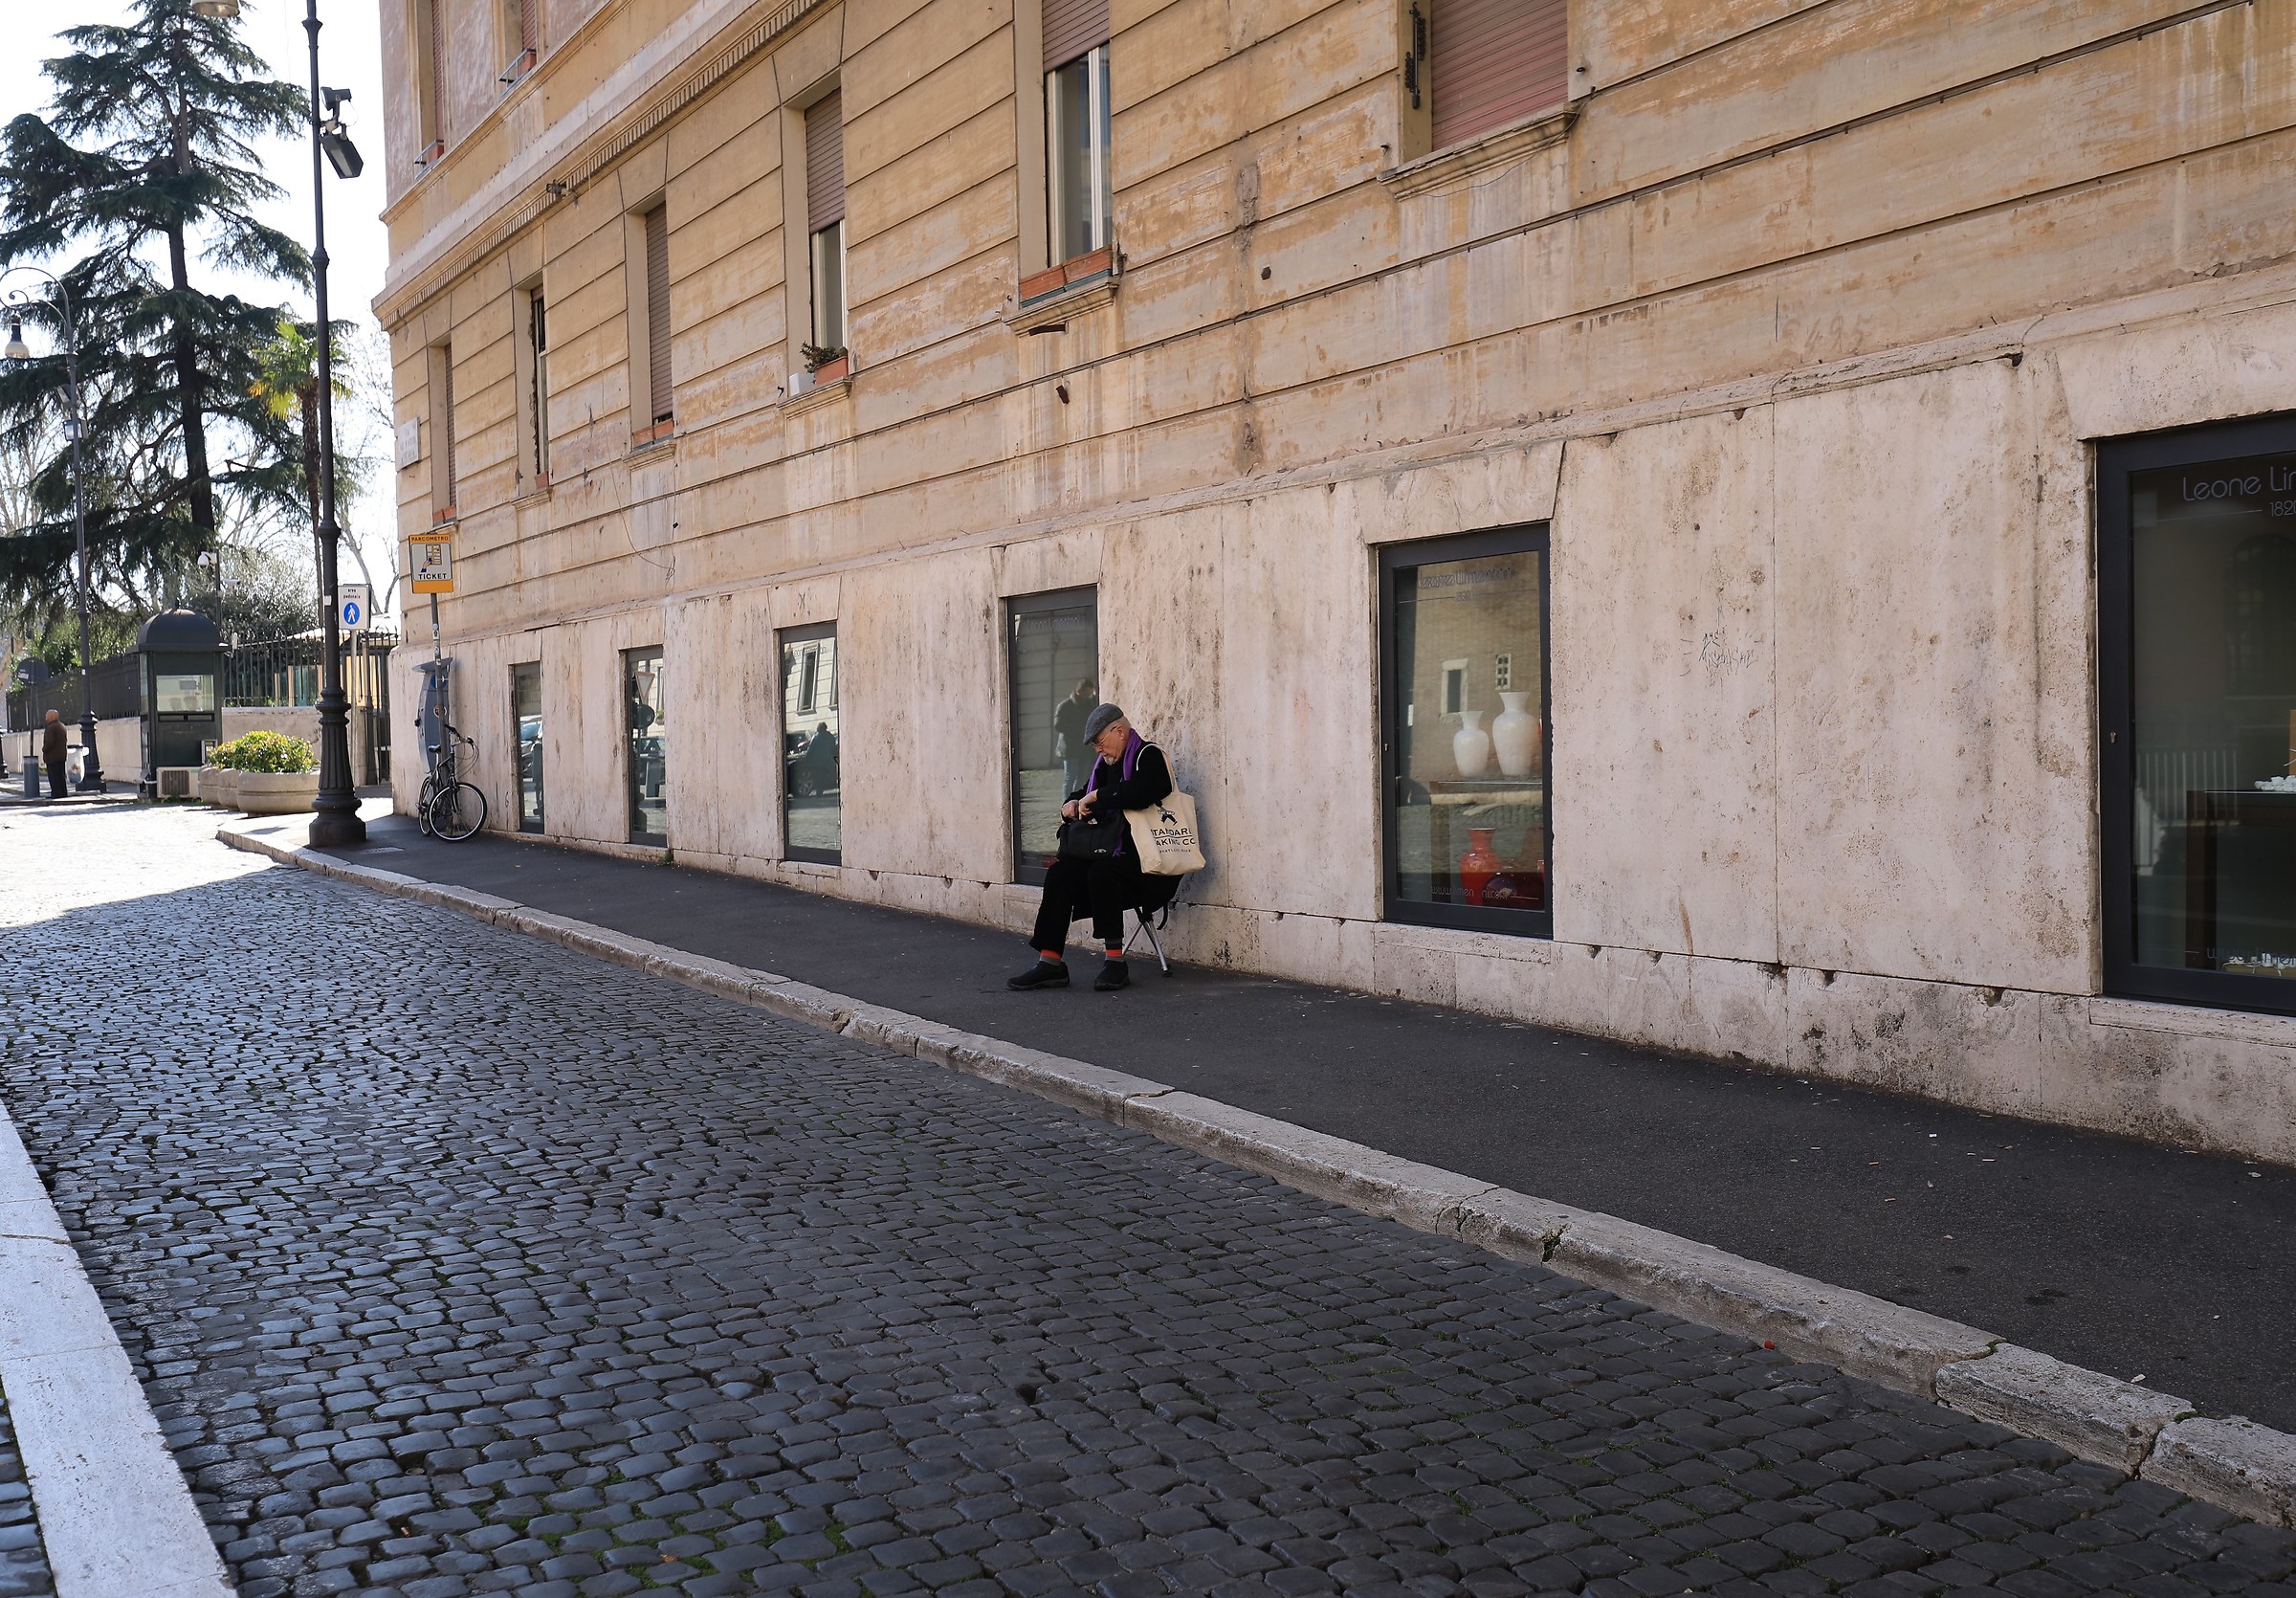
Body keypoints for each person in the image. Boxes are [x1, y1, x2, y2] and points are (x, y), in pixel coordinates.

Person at [1009, 703, 1172, 993]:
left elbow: (1144, 791)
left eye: (1100, 742)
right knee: (1061, 874)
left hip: (1148, 864)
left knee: (1102, 872)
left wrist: (1097, 797)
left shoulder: (1148, 757)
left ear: (1119, 732)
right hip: (1109, 854)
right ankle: (1051, 963)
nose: (1098, 750)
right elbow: (1081, 793)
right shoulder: (1105, 767)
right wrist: (1071, 804)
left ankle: (1115, 962)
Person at [1052, 679, 1097, 798]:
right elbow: (1058, 725)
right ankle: (1067, 804)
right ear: (1079, 691)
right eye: (1087, 693)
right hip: (1070, 747)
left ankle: (1076, 801)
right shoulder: (1065, 705)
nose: (1089, 696)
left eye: (1090, 693)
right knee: (1070, 776)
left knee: (1082, 777)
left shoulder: (1090, 705)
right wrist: (1077, 731)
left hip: (1084, 747)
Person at [40, 710, 67, 800]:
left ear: (51, 717)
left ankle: (56, 793)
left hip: (52, 757)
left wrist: (44, 749)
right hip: (61, 756)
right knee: (61, 776)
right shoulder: (61, 726)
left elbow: (49, 743)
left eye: (47, 716)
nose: (46, 718)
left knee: (54, 776)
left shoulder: (51, 728)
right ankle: (63, 793)